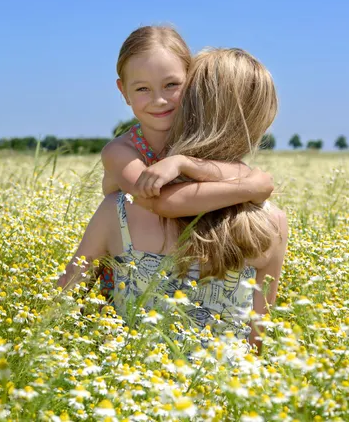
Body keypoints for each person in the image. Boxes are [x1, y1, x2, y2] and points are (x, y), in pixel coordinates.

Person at [58, 48, 288, 353]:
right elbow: (257, 339)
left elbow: (61, 299)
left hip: (132, 392)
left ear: (190, 107)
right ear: (263, 120)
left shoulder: (120, 210)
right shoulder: (273, 221)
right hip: (224, 394)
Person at [96, 26, 275, 301]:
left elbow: (236, 170)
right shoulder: (121, 151)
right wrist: (249, 188)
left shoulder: (191, 146)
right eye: (143, 88)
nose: (159, 99)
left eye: (172, 85)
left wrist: (184, 163)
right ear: (123, 91)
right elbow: (159, 202)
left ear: (191, 83)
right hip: (122, 282)